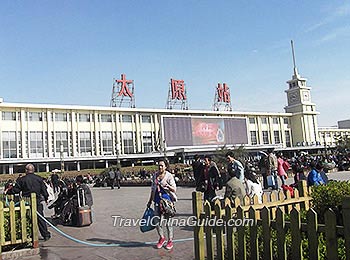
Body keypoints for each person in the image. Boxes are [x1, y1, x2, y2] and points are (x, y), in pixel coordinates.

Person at [5, 164, 51, 241]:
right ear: (33, 170)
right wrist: (46, 198)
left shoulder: (22, 179)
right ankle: (45, 234)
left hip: (26, 201)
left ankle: (29, 234)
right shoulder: (39, 179)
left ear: (26, 170)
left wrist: (8, 192)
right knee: (40, 219)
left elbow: (16, 190)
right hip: (37, 200)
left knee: (26, 218)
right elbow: (44, 190)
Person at [147, 159, 177, 250]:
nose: (160, 167)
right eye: (159, 165)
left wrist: (168, 186)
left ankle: (170, 240)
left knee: (168, 222)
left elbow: (174, 189)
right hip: (157, 201)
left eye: (162, 165)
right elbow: (153, 189)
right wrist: (149, 201)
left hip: (167, 202)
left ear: (165, 166)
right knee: (157, 221)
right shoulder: (155, 176)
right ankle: (162, 237)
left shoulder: (169, 176)